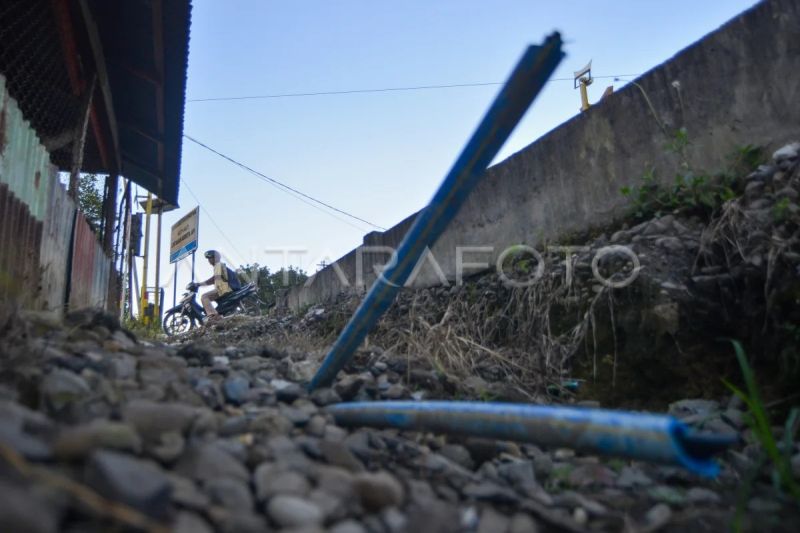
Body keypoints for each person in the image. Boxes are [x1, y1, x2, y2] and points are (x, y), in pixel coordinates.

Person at [197, 250, 239, 320]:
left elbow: (213, 279)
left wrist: (198, 284)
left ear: (215, 258)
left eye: (210, 258)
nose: (209, 260)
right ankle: (220, 314)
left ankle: (213, 316)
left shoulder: (218, 265)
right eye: (208, 259)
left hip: (224, 289)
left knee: (204, 296)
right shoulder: (219, 266)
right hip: (225, 288)